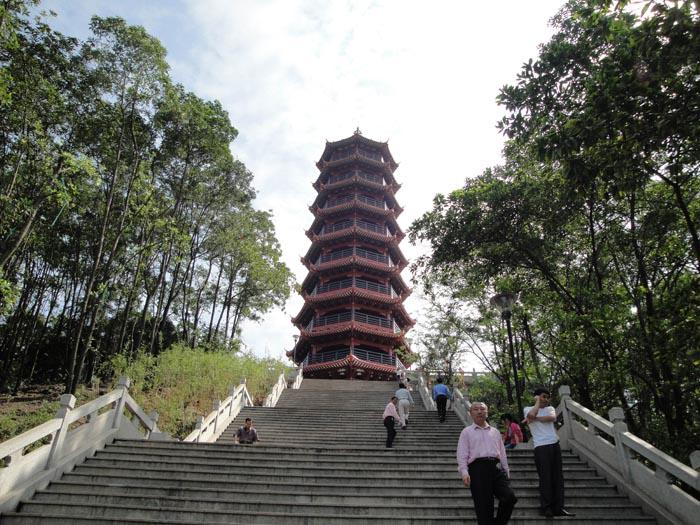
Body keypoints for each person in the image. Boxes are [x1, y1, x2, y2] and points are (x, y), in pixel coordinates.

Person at [457, 402, 517, 525]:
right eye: (476, 409)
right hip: (477, 469)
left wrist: (506, 469)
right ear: (470, 413)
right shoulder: (466, 432)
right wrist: (464, 472)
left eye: (482, 409)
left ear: (487, 413)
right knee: (484, 507)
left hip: (495, 468)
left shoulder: (495, 432)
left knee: (509, 497)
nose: (479, 411)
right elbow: (462, 454)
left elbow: (502, 452)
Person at [522, 388, 573, 518]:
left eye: (547, 397)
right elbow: (530, 415)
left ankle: (559, 507)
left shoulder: (550, 408)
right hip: (540, 447)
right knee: (545, 478)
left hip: (554, 444)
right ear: (536, 397)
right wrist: (536, 404)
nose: (546, 399)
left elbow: (552, 418)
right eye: (543, 396)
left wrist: (535, 418)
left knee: (558, 477)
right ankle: (546, 507)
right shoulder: (528, 409)